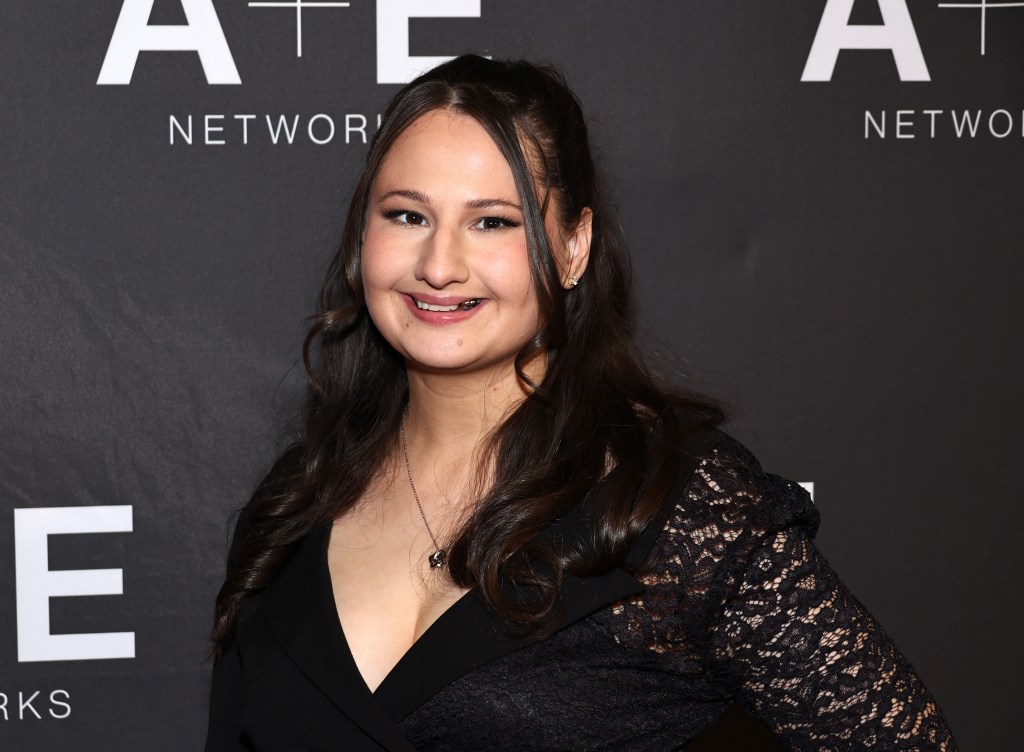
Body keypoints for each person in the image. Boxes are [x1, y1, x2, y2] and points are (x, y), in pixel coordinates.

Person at [204, 55, 957, 751]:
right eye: (407, 215)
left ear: (573, 246)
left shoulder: (673, 507)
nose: (438, 264)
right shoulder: (293, 509)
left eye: (493, 222)